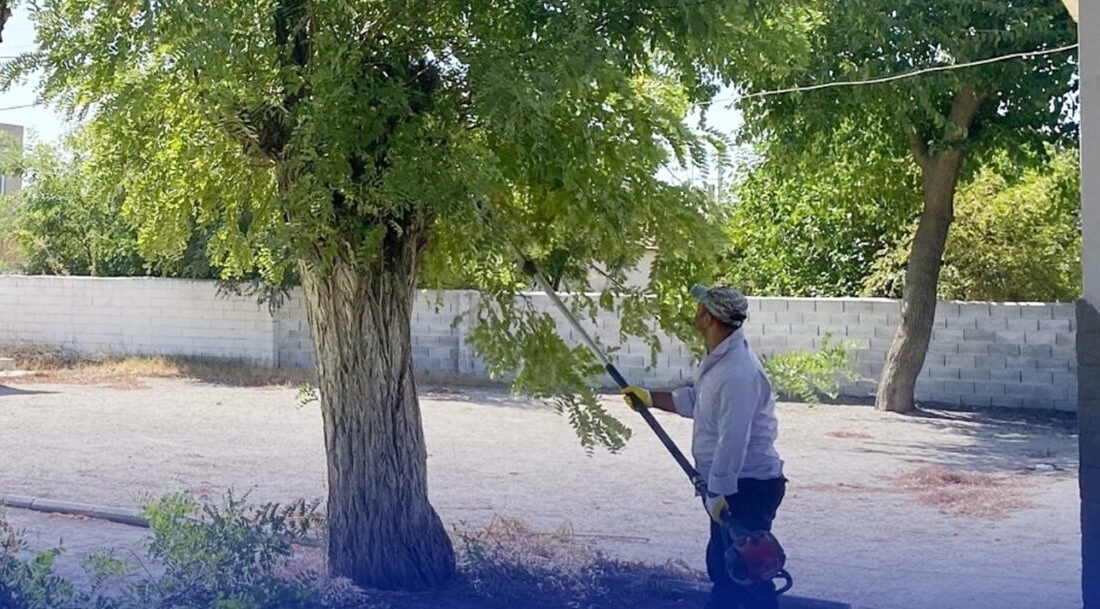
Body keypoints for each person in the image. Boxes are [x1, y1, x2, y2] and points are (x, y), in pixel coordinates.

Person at [622, 284, 786, 609]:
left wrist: (719, 492)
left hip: (747, 487)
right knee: (728, 569)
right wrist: (651, 399)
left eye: (700, 307)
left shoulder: (738, 373)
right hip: (731, 486)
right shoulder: (719, 359)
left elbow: (733, 440)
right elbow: (698, 401)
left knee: (746, 572)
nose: (696, 311)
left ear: (709, 317)